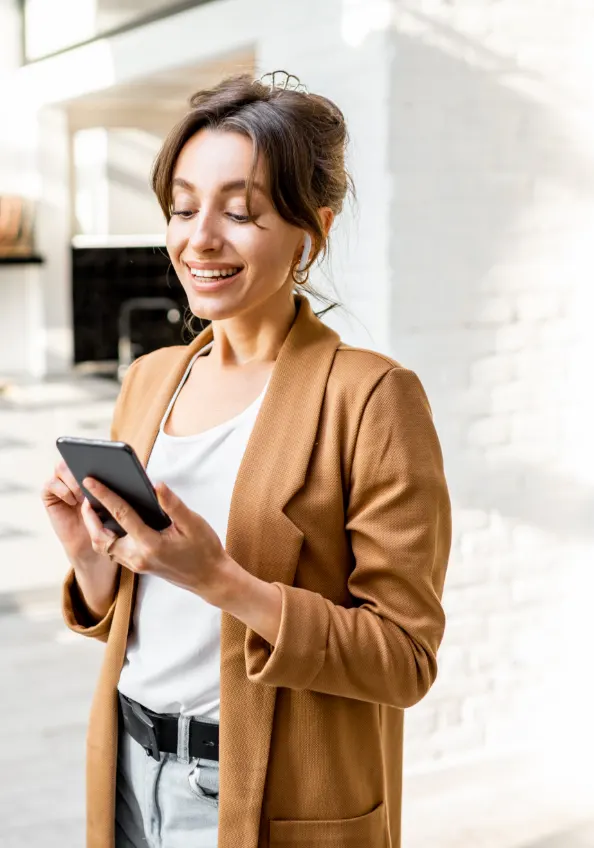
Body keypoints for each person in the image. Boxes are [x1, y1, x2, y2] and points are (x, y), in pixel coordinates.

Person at [42, 70, 451, 848]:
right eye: (184, 208)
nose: (200, 238)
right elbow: (142, 616)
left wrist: (220, 579)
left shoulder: (371, 398)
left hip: (267, 793)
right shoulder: (151, 378)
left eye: (239, 212)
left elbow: (404, 659)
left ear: (312, 232)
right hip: (128, 770)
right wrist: (91, 563)